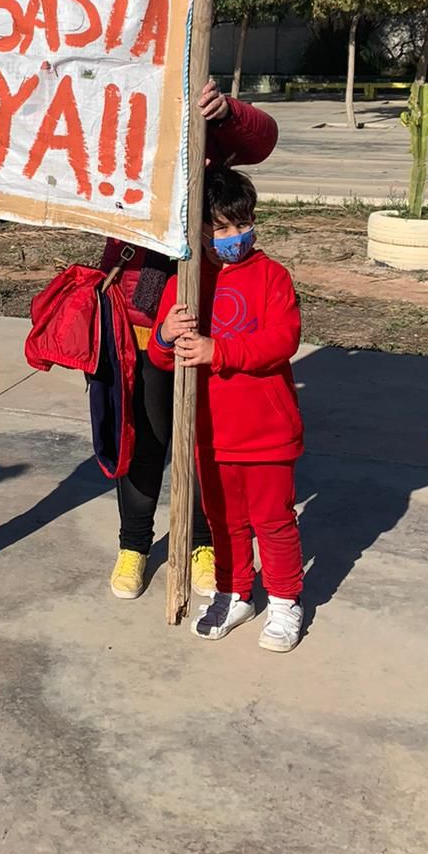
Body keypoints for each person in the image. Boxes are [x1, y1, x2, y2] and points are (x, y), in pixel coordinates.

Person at [99, 81, 279, 601]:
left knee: (202, 439)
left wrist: (225, 112)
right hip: (135, 319)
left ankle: (202, 542)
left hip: (206, 321)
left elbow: (262, 139)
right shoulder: (115, 123)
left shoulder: (199, 118)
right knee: (141, 441)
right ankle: (134, 545)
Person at [148, 164, 304, 649]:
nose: (236, 235)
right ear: (196, 230)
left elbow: (283, 340)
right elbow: (160, 357)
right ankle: (235, 592)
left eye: (244, 224)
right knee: (223, 522)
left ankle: (284, 601)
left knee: (274, 520)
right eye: (222, 227)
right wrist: (165, 335)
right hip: (210, 435)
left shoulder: (272, 276)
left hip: (267, 433)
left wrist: (221, 352)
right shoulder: (184, 283)